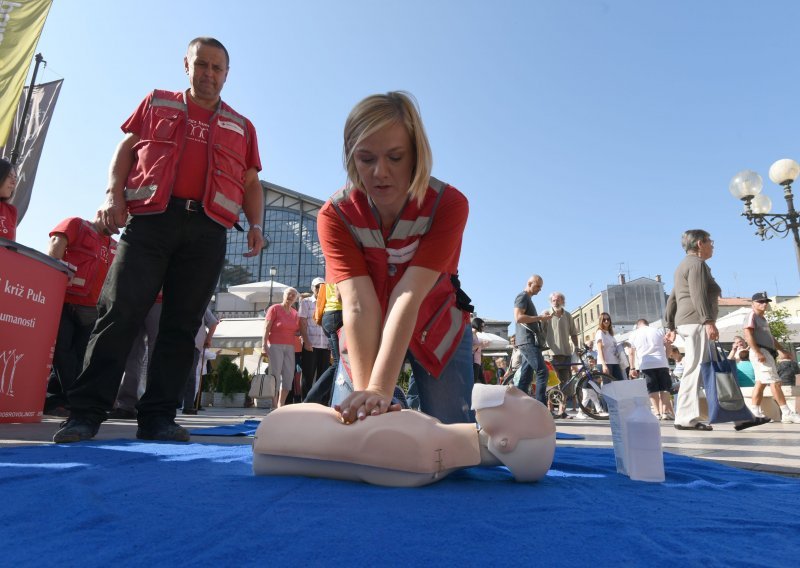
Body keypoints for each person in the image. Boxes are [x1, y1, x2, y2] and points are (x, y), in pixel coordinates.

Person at [53, 37, 264, 444]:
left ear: (227, 73)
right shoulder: (157, 102)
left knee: (181, 326)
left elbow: (250, 182)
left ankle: (159, 418)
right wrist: (112, 195)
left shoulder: (242, 125)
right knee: (119, 314)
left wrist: (255, 224)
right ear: (186, 65)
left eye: (217, 68)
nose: (209, 74)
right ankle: (85, 413)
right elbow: (127, 148)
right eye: (201, 64)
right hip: (151, 222)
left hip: (207, 231)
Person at [317, 91, 474, 425]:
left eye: (396, 157)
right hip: (364, 327)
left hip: (435, 325)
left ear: (417, 154)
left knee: (453, 435)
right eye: (366, 158)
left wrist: (379, 388)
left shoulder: (448, 205)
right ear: (350, 156)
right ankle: (391, 399)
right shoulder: (335, 216)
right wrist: (369, 395)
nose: (380, 173)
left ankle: (394, 395)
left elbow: (409, 294)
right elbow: (358, 303)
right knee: (353, 427)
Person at [253, 384, 556, 487]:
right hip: (282, 432)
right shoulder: (433, 445)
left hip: (278, 436)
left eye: (521, 401)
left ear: (506, 442)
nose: (514, 393)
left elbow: (343, 443)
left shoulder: (426, 456)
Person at [665, 230, 768, 432]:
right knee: (695, 370)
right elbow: (698, 294)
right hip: (697, 322)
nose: (712, 245)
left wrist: (670, 325)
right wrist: (708, 320)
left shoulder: (682, 266)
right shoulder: (696, 264)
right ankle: (685, 418)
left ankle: (740, 416)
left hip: (691, 323)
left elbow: (673, 298)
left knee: (717, 370)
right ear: (699, 244)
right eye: (710, 241)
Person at [43, 217, 118, 415]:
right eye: (119, 218)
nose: (119, 225)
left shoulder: (115, 246)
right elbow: (57, 241)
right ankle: (66, 399)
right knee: (62, 352)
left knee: (80, 357)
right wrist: (56, 271)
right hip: (66, 300)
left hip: (93, 308)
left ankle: (58, 399)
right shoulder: (77, 224)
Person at [743, 292, 800, 424]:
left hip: (765, 351)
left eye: (766, 302)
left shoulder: (763, 319)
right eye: (760, 302)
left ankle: (755, 412)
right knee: (775, 382)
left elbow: (771, 338)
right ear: (753, 303)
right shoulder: (752, 315)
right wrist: (758, 352)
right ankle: (786, 413)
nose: (764, 304)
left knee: (761, 383)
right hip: (761, 351)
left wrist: (782, 350)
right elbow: (747, 335)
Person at [514, 275, 553, 404]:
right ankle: (540, 408)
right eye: (538, 286)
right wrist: (539, 318)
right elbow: (518, 317)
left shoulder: (527, 298)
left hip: (527, 341)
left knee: (526, 376)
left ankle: (519, 407)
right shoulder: (523, 296)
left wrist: (541, 318)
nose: (540, 290)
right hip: (527, 341)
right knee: (542, 372)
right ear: (529, 283)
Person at [628, 319, 675, 420]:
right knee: (665, 388)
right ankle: (665, 412)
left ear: (637, 325)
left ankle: (657, 413)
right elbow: (668, 346)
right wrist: (665, 358)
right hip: (661, 362)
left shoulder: (634, 334)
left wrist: (632, 368)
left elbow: (631, 353)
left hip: (645, 364)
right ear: (647, 324)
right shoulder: (658, 331)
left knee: (652, 389)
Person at [544, 291, 579, 417]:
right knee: (553, 383)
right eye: (554, 300)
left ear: (562, 301)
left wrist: (576, 347)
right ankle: (550, 409)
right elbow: (539, 331)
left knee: (565, 383)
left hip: (566, 354)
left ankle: (562, 410)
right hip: (550, 354)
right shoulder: (546, 314)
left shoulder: (568, 315)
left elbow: (574, 334)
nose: (556, 302)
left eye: (558, 300)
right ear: (550, 302)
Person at [263, 287, 300, 408]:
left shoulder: (295, 313)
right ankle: (274, 404)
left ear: (295, 299)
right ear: (284, 295)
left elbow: (297, 330)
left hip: (290, 347)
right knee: (275, 375)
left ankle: (281, 404)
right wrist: (264, 344)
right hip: (275, 345)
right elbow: (266, 327)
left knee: (289, 376)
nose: (291, 296)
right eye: (289, 294)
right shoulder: (274, 308)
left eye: (293, 295)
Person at [180, 305, 218, 414]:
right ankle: (187, 406)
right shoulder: (201, 303)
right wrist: (208, 339)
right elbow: (213, 323)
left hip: (178, 342)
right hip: (194, 343)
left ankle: (179, 404)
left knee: (181, 375)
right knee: (190, 376)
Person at [298, 277, 331, 398]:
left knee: (323, 377)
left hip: (326, 345)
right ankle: (305, 402)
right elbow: (301, 322)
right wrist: (306, 342)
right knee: (308, 375)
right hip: (311, 344)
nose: (320, 288)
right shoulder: (306, 301)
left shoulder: (329, 302)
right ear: (312, 288)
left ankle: (321, 403)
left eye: (323, 286)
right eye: (317, 286)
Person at [594, 312, 625, 382]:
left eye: (608, 319)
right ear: (601, 321)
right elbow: (599, 350)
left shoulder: (610, 334)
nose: (606, 321)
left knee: (620, 384)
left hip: (615, 362)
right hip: (606, 363)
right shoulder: (600, 332)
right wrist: (604, 365)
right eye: (604, 319)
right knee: (608, 387)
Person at [0, 158, 17, 240]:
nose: (14, 182)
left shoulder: (11, 211)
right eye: (9, 176)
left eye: (15, 177)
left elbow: (12, 247)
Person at [471, 317, 490, 384]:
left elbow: (476, 347)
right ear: (477, 324)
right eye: (482, 326)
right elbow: (470, 348)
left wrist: (483, 345)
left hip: (477, 361)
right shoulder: (471, 333)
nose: (483, 327)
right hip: (474, 361)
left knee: (481, 382)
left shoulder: (475, 334)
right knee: (474, 382)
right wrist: (480, 344)